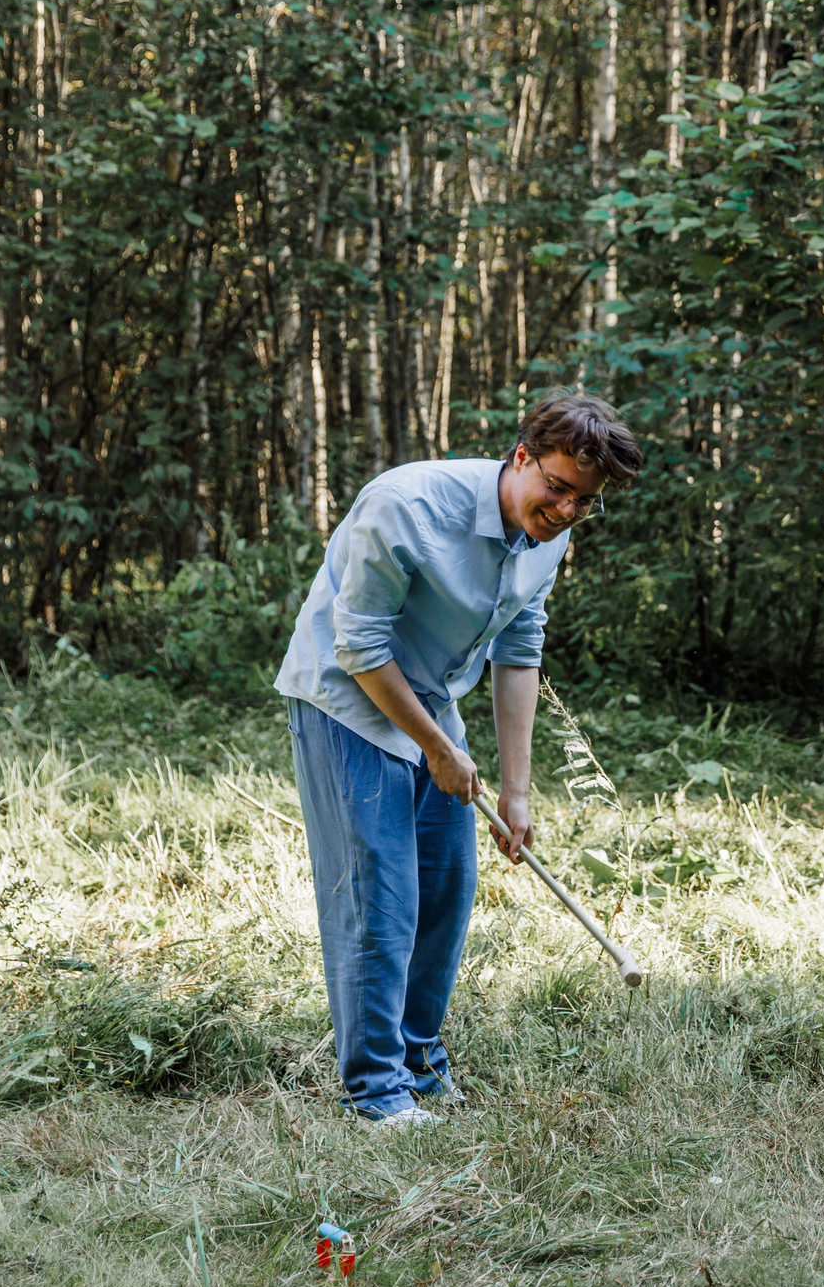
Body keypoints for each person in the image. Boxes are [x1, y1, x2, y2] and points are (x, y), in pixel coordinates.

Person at [272, 390, 643, 1127]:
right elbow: (361, 646)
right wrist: (436, 748)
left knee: (446, 889)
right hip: (346, 698)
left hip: (431, 703)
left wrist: (517, 792)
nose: (567, 511)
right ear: (521, 458)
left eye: (584, 502)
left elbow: (519, 646)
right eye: (557, 489)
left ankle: (418, 1064)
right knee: (380, 899)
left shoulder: (551, 531)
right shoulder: (405, 506)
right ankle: (375, 1091)